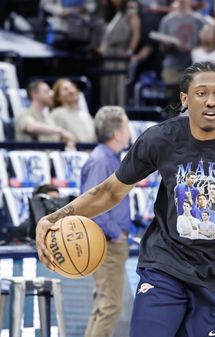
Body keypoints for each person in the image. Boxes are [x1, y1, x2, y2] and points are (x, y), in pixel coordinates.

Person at [35, 61, 215, 337]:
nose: (211, 101)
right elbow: (109, 191)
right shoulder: (162, 138)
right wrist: (54, 217)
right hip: (165, 267)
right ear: (185, 98)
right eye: (201, 93)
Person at [81, 106, 132, 337]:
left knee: (103, 306)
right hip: (107, 244)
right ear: (117, 133)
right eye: (127, 124)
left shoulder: (109, 158)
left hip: (110, 243)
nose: (130, 130)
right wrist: (117, 233)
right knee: (110, 307)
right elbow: (92, 206)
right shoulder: (101, 161)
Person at [15, 80, 75, 144]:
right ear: (34, 94)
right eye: (47, 91)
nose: (51, 94)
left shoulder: (48, 119)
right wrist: (60, 131)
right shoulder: (24, 114)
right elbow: (31, 127)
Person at [50, 79, 96, 143]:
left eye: (72, 87)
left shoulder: (85, 114)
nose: (71, 91)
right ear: (58, 97)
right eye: (65, 89)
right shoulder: (57, 114)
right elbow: (55, 139)